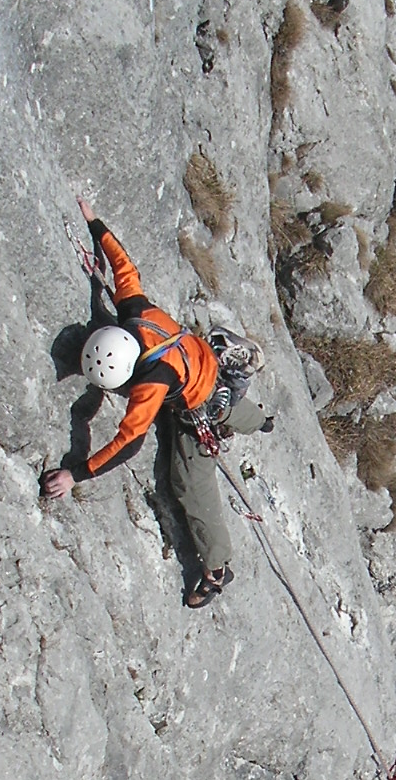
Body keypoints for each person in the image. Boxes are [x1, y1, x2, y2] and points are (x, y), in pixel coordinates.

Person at [40, 199, 272, 608]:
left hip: (198, 405)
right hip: (203, 364)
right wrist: (95, 223)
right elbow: (123, 267)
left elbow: (129, 443)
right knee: (231, 408)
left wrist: (75, 474)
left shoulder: (152, 382)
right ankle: (261, 421)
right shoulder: (135, 311)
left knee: (190, 486)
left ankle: (217, 568)